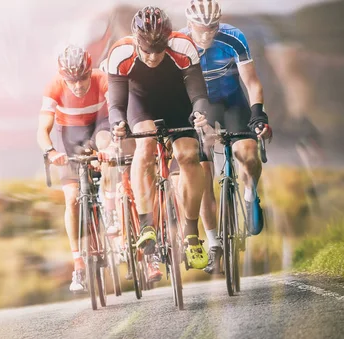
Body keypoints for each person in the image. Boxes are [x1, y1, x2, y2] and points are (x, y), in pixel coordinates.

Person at [100, 6, 210, 272]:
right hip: (141, 103)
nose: (151, 56)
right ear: (136, 40)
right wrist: (118, 124)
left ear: (168, 40)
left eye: (158, 49)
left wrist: (199, 112)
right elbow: (116, 104)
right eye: (146, 49)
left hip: (176, 104)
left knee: (187, 155)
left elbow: (197, 93)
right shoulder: (120, 52)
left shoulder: (183, 47)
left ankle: (192, 233)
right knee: (146, 145)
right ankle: (147, 223)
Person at [180, 0, 273, 274]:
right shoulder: (179, 43)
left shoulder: (234, 37)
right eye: (201, 27)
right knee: (202, 174)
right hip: (199, 107)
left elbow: (252, 82)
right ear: (190, 24)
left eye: (212, 27)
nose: (207, 33)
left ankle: (249, 192)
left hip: (232, 101)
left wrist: (258, 113)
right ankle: (213, 242)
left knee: (247, 152)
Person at [36, 45, 112, 292]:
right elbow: (43, 129)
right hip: (69, 136)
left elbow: (116, 110)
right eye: (72, 80)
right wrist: (51, 152)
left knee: (109, 156)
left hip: (99, 127)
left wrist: (112, 148)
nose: (78, 85)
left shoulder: (102, 78)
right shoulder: (54, 87)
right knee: (71, 200)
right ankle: (78, 265)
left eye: (82, 78)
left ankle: (113, 217)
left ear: (90, 71)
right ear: (63, 77)